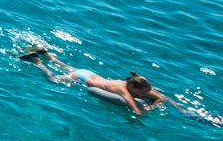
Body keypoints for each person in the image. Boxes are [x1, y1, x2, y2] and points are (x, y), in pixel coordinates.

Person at [21, 48, 163, 116]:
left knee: (65, 67)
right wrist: (150, 107)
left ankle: (45, 53)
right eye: (142, 93)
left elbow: (158, 97)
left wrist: (155, 100)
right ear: (133, 87)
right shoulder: (123, 90)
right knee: (52, 79)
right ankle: (37, 61)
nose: (144, 94)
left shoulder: (126, 83)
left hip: (89, 73)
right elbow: (136, 111)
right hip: (80, 78)